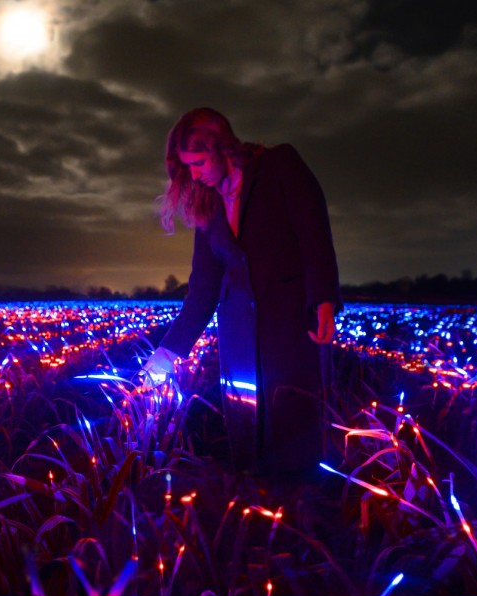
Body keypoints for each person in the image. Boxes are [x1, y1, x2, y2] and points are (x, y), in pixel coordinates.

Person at [142, 107, 342, 478]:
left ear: (222, 147)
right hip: (237, 341)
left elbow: (314, 234)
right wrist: (168, 353)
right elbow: (202, 289)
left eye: (199, 162)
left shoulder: (279, 166)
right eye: (187, 167)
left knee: (295, 431)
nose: (193, 174)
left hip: (291, 330)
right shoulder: (208, 208)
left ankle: (303, 513)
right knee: (248, 437)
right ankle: (254, 512)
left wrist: (324, 301)